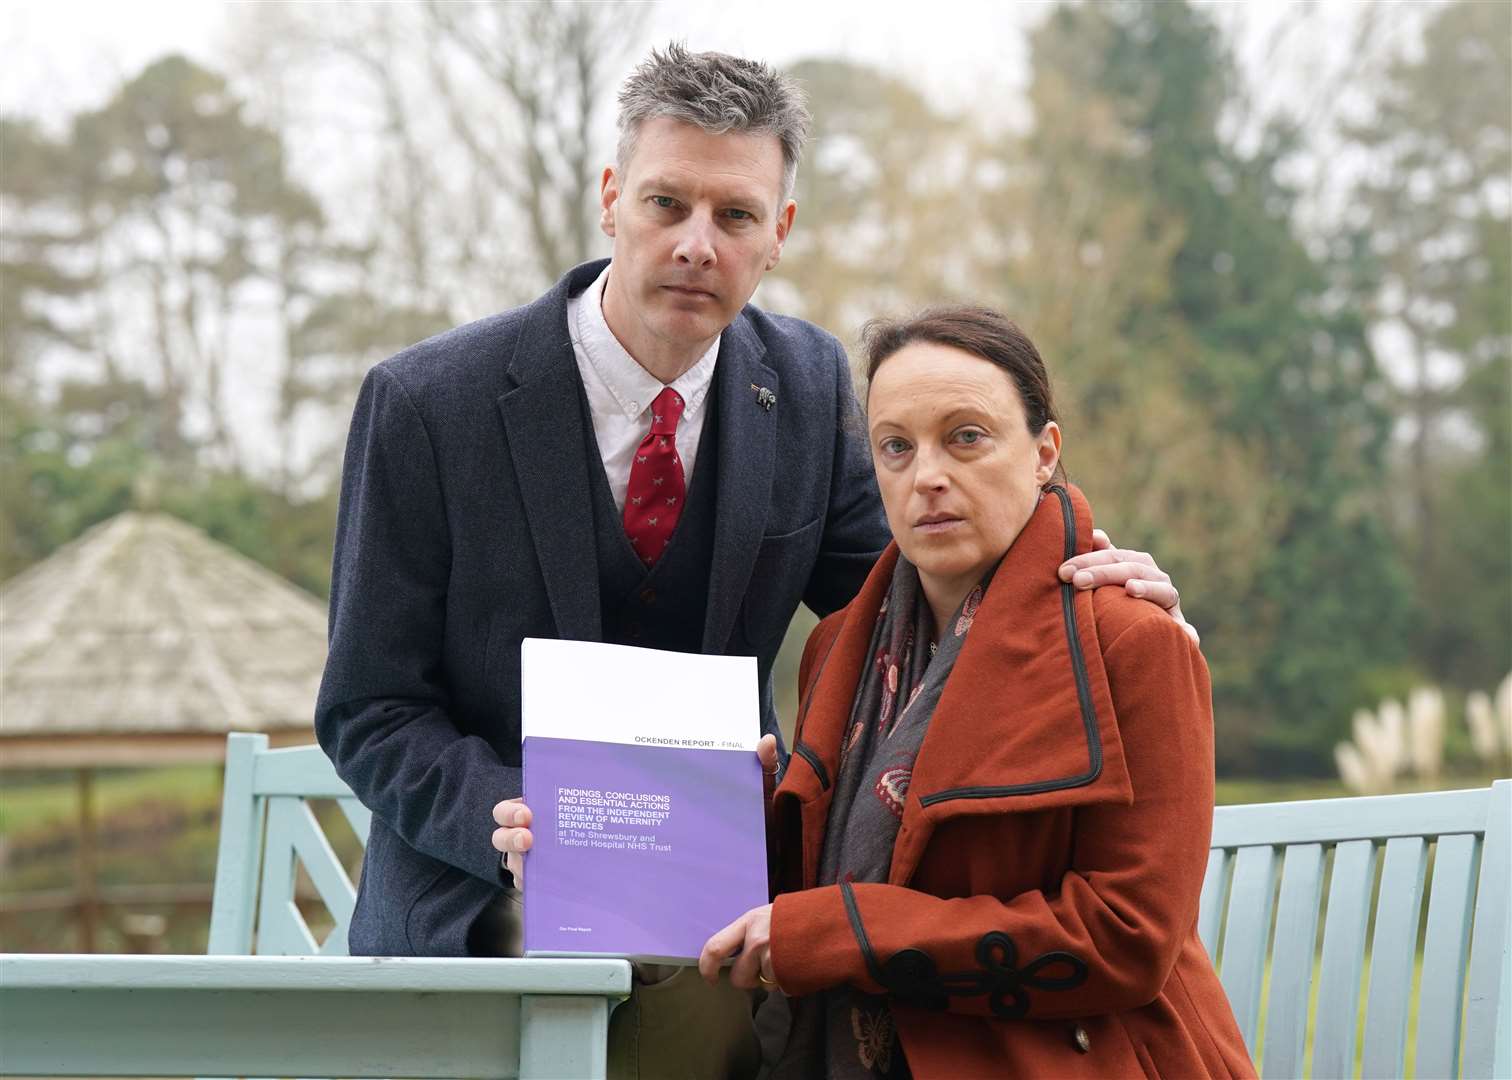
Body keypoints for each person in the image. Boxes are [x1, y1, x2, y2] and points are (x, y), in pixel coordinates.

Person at [318, 44, 1193, 1078]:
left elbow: (921, 589)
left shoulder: (811, 384)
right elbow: (367, 708)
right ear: (611, 201)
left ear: (777, 234)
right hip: (483, 899)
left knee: (732, 992)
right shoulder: (429, 406)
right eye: (665, 204)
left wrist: (1085, 577)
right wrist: (497, 818)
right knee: (700, 993)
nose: (697, 244)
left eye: (734, 216)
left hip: (720, 889)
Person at [697, 307, 1255, 1079]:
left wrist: (853, 931)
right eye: (896, 446)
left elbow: (1128, 937)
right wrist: (722, 827)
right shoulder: (836, 650)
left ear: (1044, 453)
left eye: (966, 436)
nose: (927, 475)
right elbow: (812, 904)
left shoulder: (1135, 642)